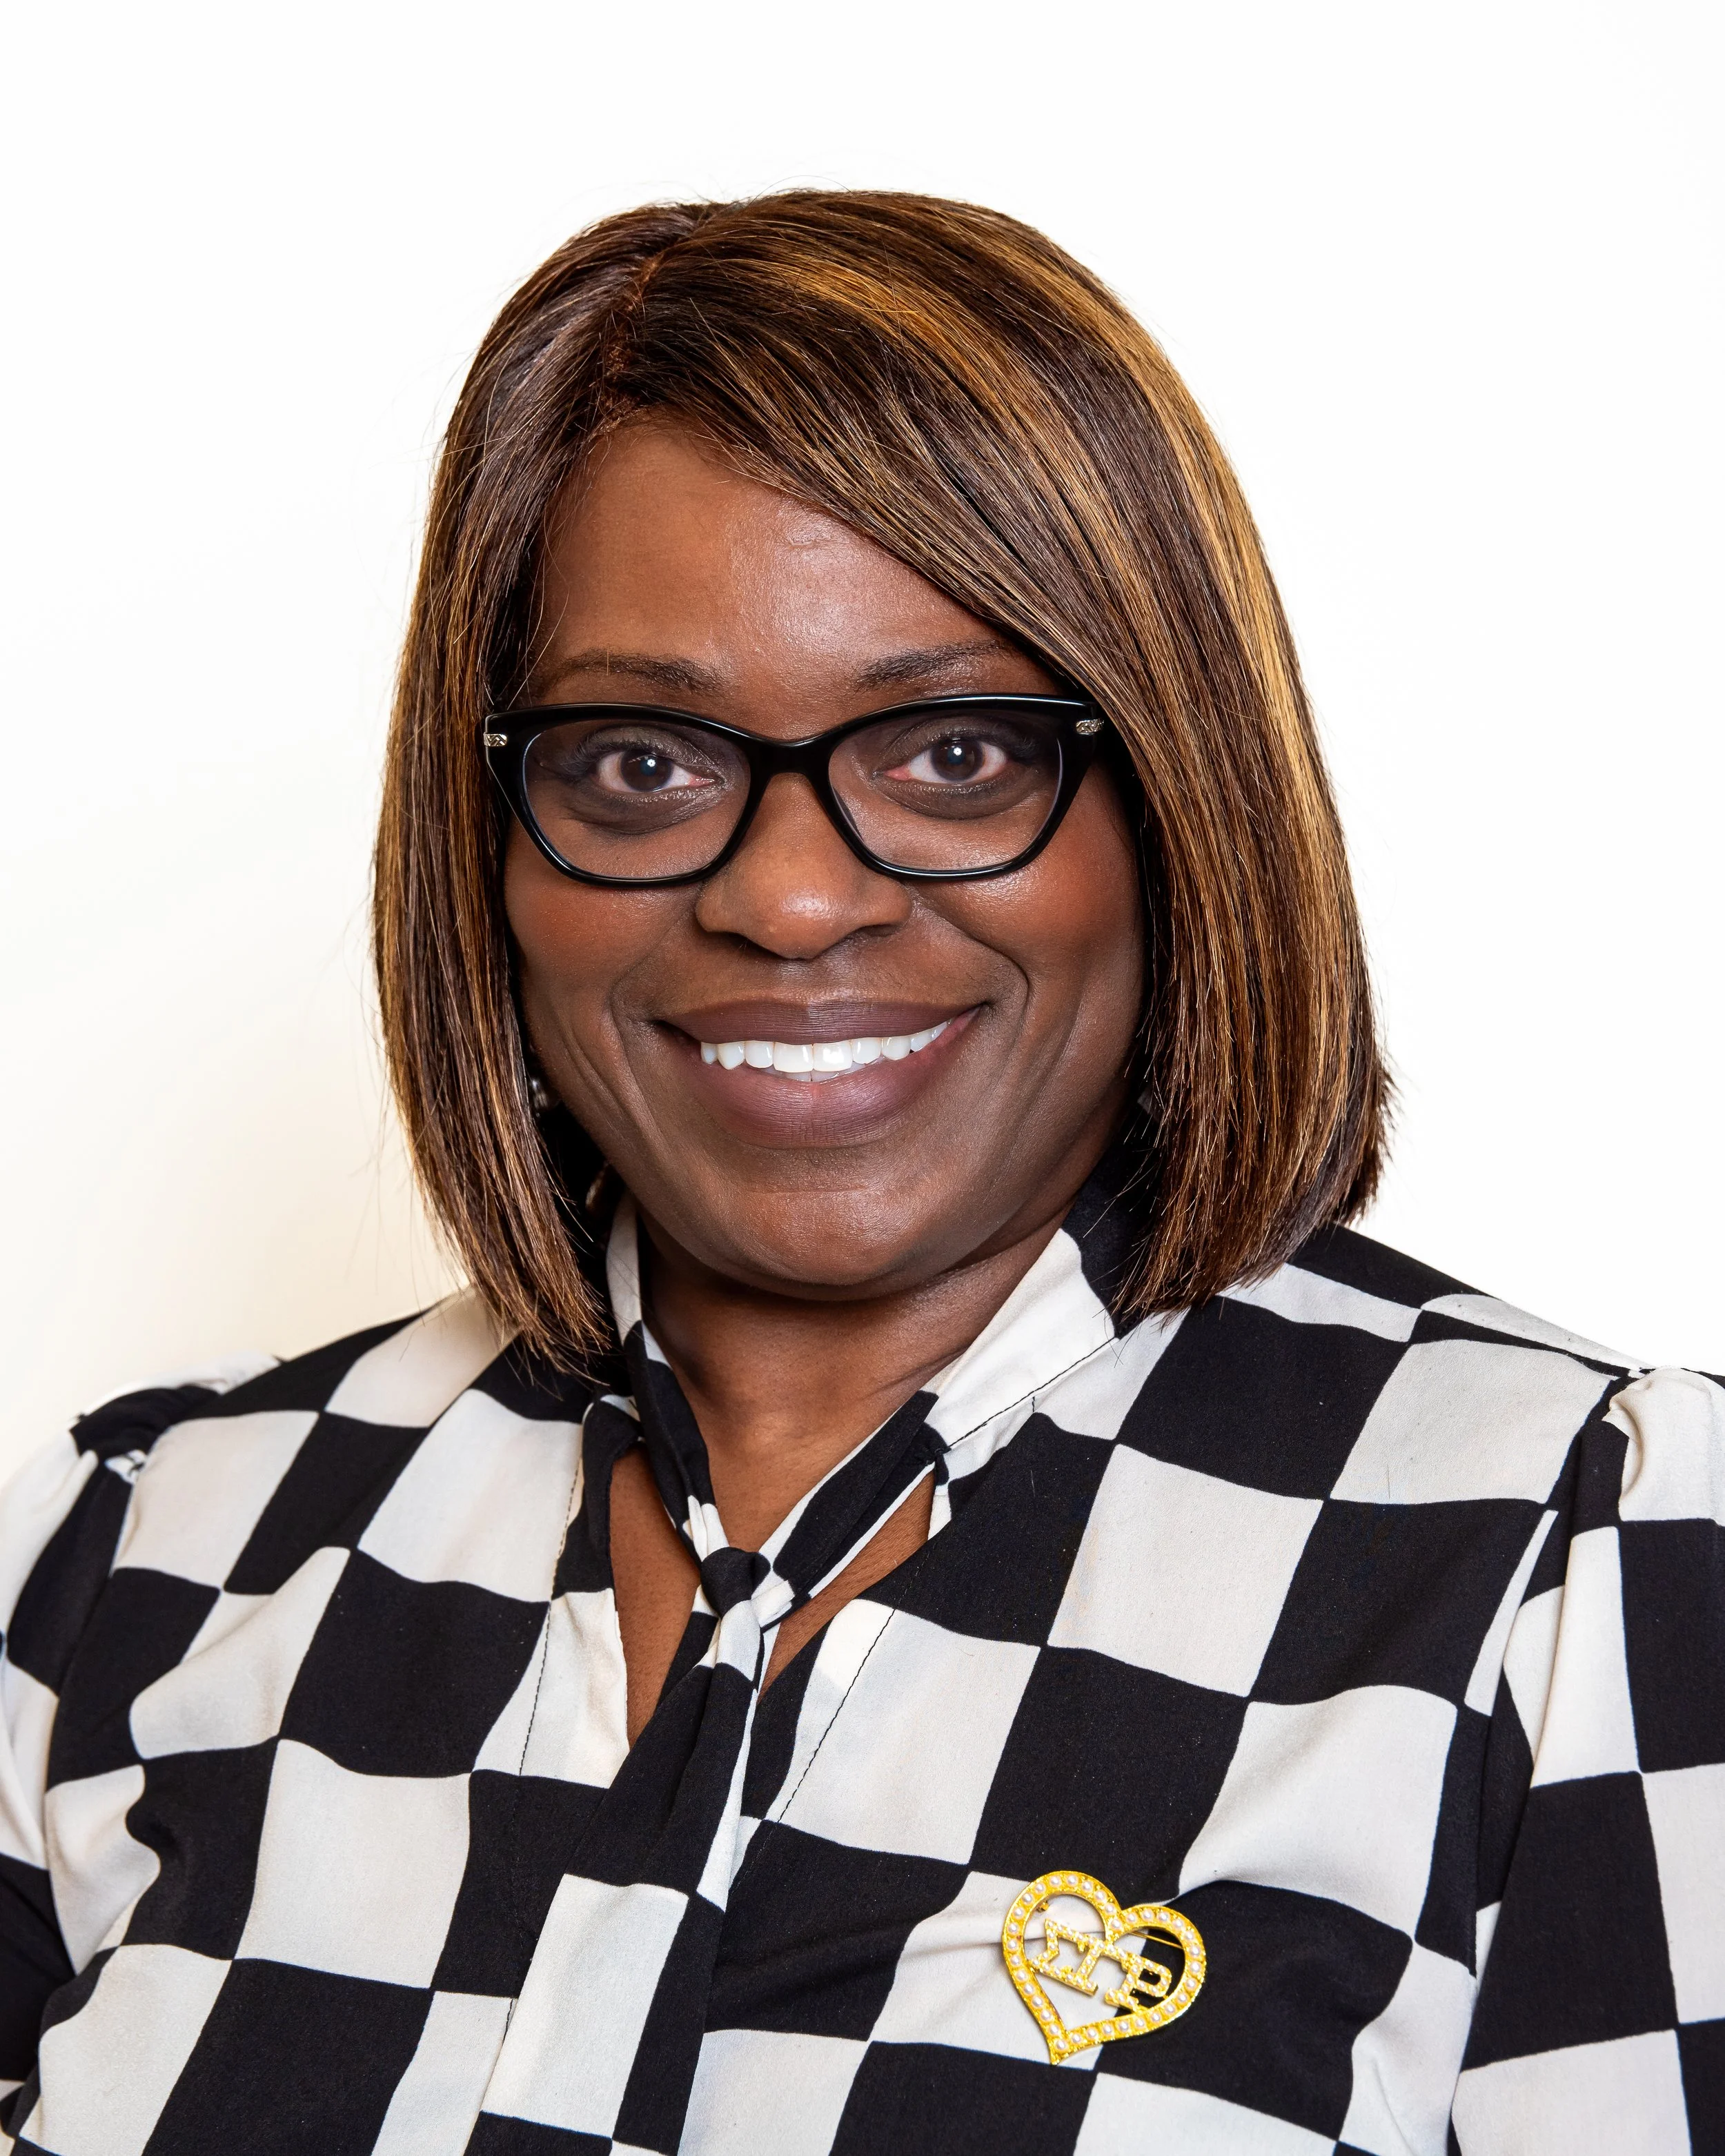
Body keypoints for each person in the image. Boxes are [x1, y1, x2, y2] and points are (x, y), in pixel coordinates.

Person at [0, 192, 1717, 2156]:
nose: (791, 894)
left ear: (1175, 794)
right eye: (640, 762)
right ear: (493, 838)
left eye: (957, 754)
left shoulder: (1562, 1560)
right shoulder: (141, 1558)